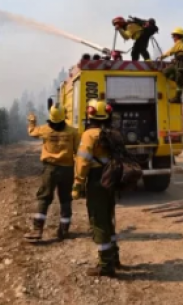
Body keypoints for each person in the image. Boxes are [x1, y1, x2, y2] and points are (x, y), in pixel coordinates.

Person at [72, 99, 121, 277]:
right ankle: (114, 257)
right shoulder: (111, 133)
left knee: (98, 221)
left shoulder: (89, 135)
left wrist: (77, 184)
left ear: (90, 114)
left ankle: (106, 265)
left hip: (96, 180)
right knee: (109, 218)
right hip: (111, 179)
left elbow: (83, 162)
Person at [24, 104, 80, 242]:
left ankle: (37, 229)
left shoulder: (45, 130)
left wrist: (32, 121)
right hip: (67, 169)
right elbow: (78, 151)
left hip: (50, 169)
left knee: (44, 197)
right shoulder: (73, 132)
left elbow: (32, 132)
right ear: (64, 116)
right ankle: (64, 230)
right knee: (66, 199)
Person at [158, 27, 183, 103]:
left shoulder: (179, 43)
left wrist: (161, 57)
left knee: (178, 82)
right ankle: (178, 81)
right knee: (175, 78)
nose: (173, 38)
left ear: (177, 36)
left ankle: (177, 98)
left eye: (173, 36)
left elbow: (170, 51)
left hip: (180, 65)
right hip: (180, 65)